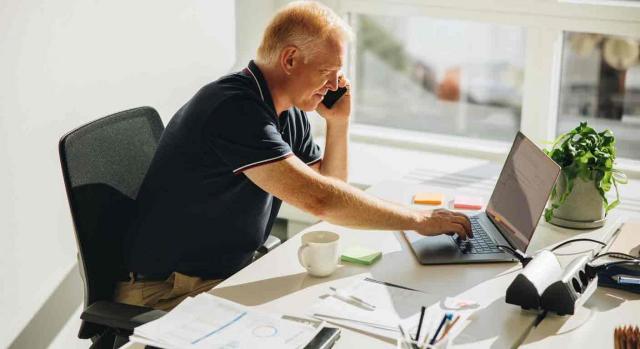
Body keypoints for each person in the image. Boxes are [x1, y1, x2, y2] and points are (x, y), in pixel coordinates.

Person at [116, 0, 472, 311]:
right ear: (290, 59)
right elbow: (321, 201)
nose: (335, 86)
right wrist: (418, 220)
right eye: (327, 73)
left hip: (223, 275)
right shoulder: (234, 110)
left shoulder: (287, 111)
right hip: (166, 291)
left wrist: (338, 124)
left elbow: (329, 187)